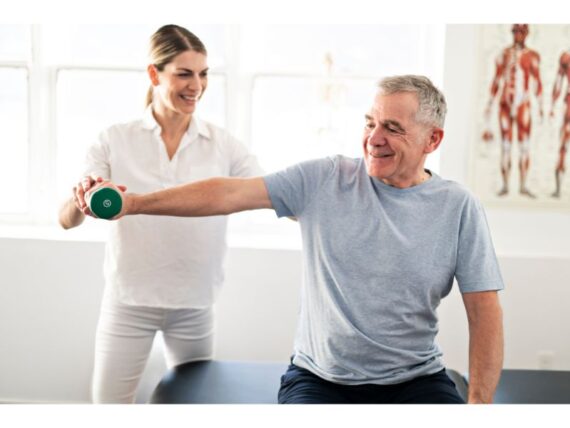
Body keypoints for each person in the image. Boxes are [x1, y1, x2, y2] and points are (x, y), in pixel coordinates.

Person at [81, 75, 505, 404]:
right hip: (321, 381)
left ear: (433, 139)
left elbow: (483, 312)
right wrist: (133, 203)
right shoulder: (324, 179)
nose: (374, 138)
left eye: (392, 128)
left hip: (416, 381)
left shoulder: (457, 208)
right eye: (370, 123)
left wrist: (479, 404)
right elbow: (227, 192)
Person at [58, 24, 263, 403]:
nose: (196, 86)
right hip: (128, 301)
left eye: (203, 74)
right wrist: (80, 197)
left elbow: (267, 192)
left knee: (194, 406)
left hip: (194, 303)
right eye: (184, 73)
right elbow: (67, 220)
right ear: (155, 74)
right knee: (109, 408)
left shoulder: (223, 145)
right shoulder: (114, 139)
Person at [482, 24, 543, 198]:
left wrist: (539, 107)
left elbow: (537, 82)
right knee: (506, 147)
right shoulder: (503, 54)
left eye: (521, 32)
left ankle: (523, 185)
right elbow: (496, 80)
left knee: (524, 147)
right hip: (505, 104)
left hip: (523, 104)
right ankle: (506, 185)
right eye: (515, 31)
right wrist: (489, 104)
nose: (518, 35)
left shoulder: (532, 56)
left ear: (527, 34)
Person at [550, 49, 570, 198]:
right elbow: (558, 81)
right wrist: (552, 105)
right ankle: (558, 188)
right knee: (563, 143)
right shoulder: (566, 57)